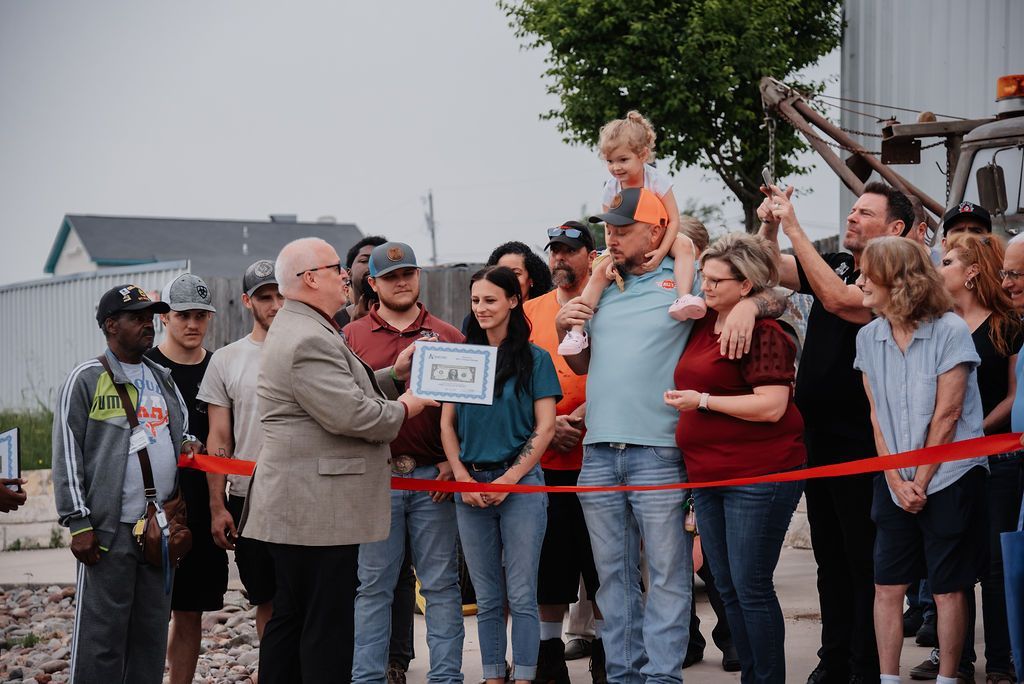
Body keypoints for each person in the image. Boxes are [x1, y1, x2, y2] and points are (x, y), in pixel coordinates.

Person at [555, 187, 783, 683]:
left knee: (667, 576)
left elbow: (773, 290)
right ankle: (624, 675)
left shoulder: (690, 281)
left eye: (622, 229)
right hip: (598, 451)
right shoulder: (601, 282)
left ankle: (662, 677)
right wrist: (566, 326)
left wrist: (752, 306)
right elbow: (584, 362)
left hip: (659, 450)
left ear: (658, 230)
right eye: (608, 228)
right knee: (612, 581)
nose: (610, 238)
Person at [240, 237, 436, 683]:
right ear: (310, 278)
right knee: (324, 625)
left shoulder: (306, 325)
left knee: (294, 616)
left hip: (308, 506)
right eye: (336, 270)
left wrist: (393, 375)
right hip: (314, 508)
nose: (346, 277)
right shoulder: (307, 335)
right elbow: (350, 413)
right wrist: (409, 404)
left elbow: (342, 390)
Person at [759, 180, 915, 683]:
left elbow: (836, 301)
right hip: (820, 440)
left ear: (895, 228)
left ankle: (865, 665)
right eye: (851, 210)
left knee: (861, 559)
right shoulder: (845, 264)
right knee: (829, 557)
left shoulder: (899, 273)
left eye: (864, 213)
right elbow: (763, 269)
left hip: (864, 444)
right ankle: (835, 657)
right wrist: (769, 222)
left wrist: (795, 225)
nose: (851, 218)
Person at [664, 232, 805, 682]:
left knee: (751, 587)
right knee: (725, 586)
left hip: (758, 476)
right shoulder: (705, 321)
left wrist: (702, 401)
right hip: (707, 477)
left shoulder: (765, 333)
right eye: (704, 278)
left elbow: (772, 406)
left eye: (716, 281)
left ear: (745, 286)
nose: (705, 287)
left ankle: (765, 678)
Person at [853, 236, 989, 684]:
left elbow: (949, 415)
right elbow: (876, 414)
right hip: (895, 480)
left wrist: (921, 480)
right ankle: (888, 679)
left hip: (950, 476)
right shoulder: (868, 336)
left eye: (868, 273)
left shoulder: (950, 330)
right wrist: (895, 477)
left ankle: (950, 678)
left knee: (949, 588)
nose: (859, 281)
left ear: (896, 278)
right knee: (886, 586)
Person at [52, 284, 198, 683]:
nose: (147, 325)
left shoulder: (162, 377)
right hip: (107, 530)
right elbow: (67, 455)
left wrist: (188, 444)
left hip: (158, 528)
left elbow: (180, 431)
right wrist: (77, 521)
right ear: (110, 325)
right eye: (136, 318)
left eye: (150, 317)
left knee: (150, 633)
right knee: (101, 638)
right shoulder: (85, 379)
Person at [346, 241, 465, 684]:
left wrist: (457, 462)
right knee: (372, 587)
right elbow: (347, 408)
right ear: (372, 284)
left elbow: (469, 410)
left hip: (435, 476)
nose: (402, 282)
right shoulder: (350, 338)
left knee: (440, 586)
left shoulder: (449, 334)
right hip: (376, 478)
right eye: (391, 276)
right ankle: (367, 678)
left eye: (408, 274)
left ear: (419, 277)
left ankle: (447, 677)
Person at [440, 266, 560, 684]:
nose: (481, 308)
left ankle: (524, 676)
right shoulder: (464, 357)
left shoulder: (536, 359)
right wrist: (462, 478)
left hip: (521, 486)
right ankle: (493, 675)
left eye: (490, 299)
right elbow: (446, 426)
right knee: (488, 597)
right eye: (475, 301)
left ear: (513, 301)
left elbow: (545, 427)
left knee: (523, 593)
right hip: (469, 487)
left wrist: (511, 478)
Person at [938, 233, 1024, 683]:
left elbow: (1015, 395)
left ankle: (1000, 662)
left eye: (948, 261)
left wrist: (976, 430)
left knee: (993, 561)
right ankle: (954, 658)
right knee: (954, 559)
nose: (940, 267)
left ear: (972, 271)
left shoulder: (1007, 326)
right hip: (951, 461)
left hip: (997, 459)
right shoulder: (939, 325)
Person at [522, 222, 604, 683]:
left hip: (600, 459)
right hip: (546, 462)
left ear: (591, 256)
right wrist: (549, 429)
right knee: (550, 567)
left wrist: (585, 415)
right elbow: (514, 383)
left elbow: (626, 370)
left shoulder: (608, 305)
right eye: (554, 251)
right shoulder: (531, 312)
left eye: (570, 251)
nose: (559, 259)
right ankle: (550, 654)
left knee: (602, 567)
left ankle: (607, 651)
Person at [559, 113, 702, 356]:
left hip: (662, 233)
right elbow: (608, 227)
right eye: (610, 161)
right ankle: (576, 331)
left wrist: (662, 251)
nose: (616, 167)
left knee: (686, 246)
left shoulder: (656, 181)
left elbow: (674, 219)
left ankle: (683, 296)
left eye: (623, 159)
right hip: (623, 246)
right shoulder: (611, 187)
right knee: (598, 273)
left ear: (643, 155)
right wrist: (612, 257)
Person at [198, 259, 284, 661]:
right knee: (265, 599)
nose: (276, 304)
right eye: (266, 297)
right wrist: (217, 505)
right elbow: (219, 437)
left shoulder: (321, 349)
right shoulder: (227, 360)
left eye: (282, 294)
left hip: (307, 494)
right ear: (248, 301)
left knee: (310, 598)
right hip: (250, 498)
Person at [145, 274, 224, 684]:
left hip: (204, 499)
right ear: (165, 319)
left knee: (190, 609)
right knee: (148, 608)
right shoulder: (147, 370)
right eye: (183, 316)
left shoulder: (218, 367)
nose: (193, 324)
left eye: (200, 315)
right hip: (153, 501)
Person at [336, 235, 388, 327]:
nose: (372, 266)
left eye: (379, 261)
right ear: (349, 272)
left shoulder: (408, 318)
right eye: (364, 260)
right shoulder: (334, 323)